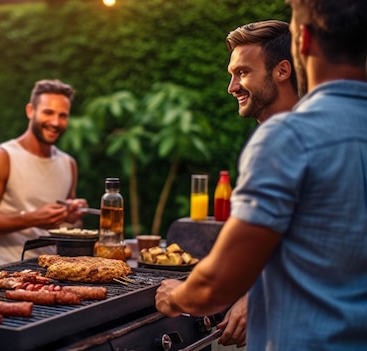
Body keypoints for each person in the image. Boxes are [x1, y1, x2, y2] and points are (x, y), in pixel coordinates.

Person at [155, 0, 367, 350]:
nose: (232, 87)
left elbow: (216, 283)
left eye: (241, 73)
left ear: (304, 42)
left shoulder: (289, 137)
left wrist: (175, 297)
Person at [216, 19, 300, 348]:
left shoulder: (309, 136)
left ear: (282, 70)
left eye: (243, 73)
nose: (232, 87)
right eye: (232, 74)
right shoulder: (266, 134)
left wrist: (258, 296)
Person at [0, 79, 88, 267]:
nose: (55, 122)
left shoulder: (68, 163)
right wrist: (30, 218)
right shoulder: (2, 157)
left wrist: (72, 218)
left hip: (52, 272)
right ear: (30, 111)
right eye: (48, 112)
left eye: (63, 115)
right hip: (7, 272)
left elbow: (70, 226)